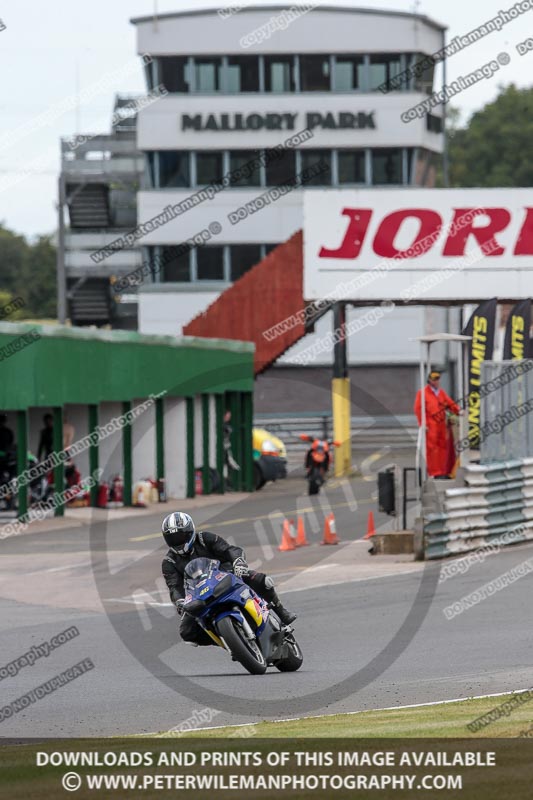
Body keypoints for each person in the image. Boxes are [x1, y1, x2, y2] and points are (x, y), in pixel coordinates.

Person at [161, 512, 297, 646]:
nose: (177, 541)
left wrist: (238, 562)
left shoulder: (205, 539)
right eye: (172, 538)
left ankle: (281, 611)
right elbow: (174, 586)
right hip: (198, 594)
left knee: (262, 580)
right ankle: (230, 641)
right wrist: (180, 601)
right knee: (187, 633)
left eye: (180, 536)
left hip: (225, 576)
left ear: (190, 531)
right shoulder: (169, 562)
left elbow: (229, 550)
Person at [414, 370, 461, 479]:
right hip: (431, 425)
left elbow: (450, 404)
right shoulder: (423, 393)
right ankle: (435, 472)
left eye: (437, 379)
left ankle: (443, 471)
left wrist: (459, 411)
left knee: (443, 448)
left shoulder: (441, 393)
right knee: (433, 449)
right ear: (429, 381)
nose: (436, 382)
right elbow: (418, 409)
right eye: (434, 379)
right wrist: (423, 423)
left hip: (441, 425)